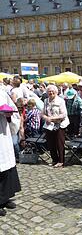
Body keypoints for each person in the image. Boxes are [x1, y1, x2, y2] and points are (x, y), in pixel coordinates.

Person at [0, 89, 21, 217]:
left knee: (7, 167)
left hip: (4, 133)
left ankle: (5, 197)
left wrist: (9, 116)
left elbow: (14, 110)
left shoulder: (2, 92)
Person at [42, 85, 70, 168]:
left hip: (60, 124)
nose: (50, 93)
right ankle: (54, 160)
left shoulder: (60, 101)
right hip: (49, 125)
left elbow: (64, 114)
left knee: (59, 143)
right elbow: (43, 113)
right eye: (49, 91)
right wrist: (46, 118)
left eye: (52, 91)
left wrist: (52, 118)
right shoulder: (46, 100)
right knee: (51, 143)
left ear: (56, 92)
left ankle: (61, 161)